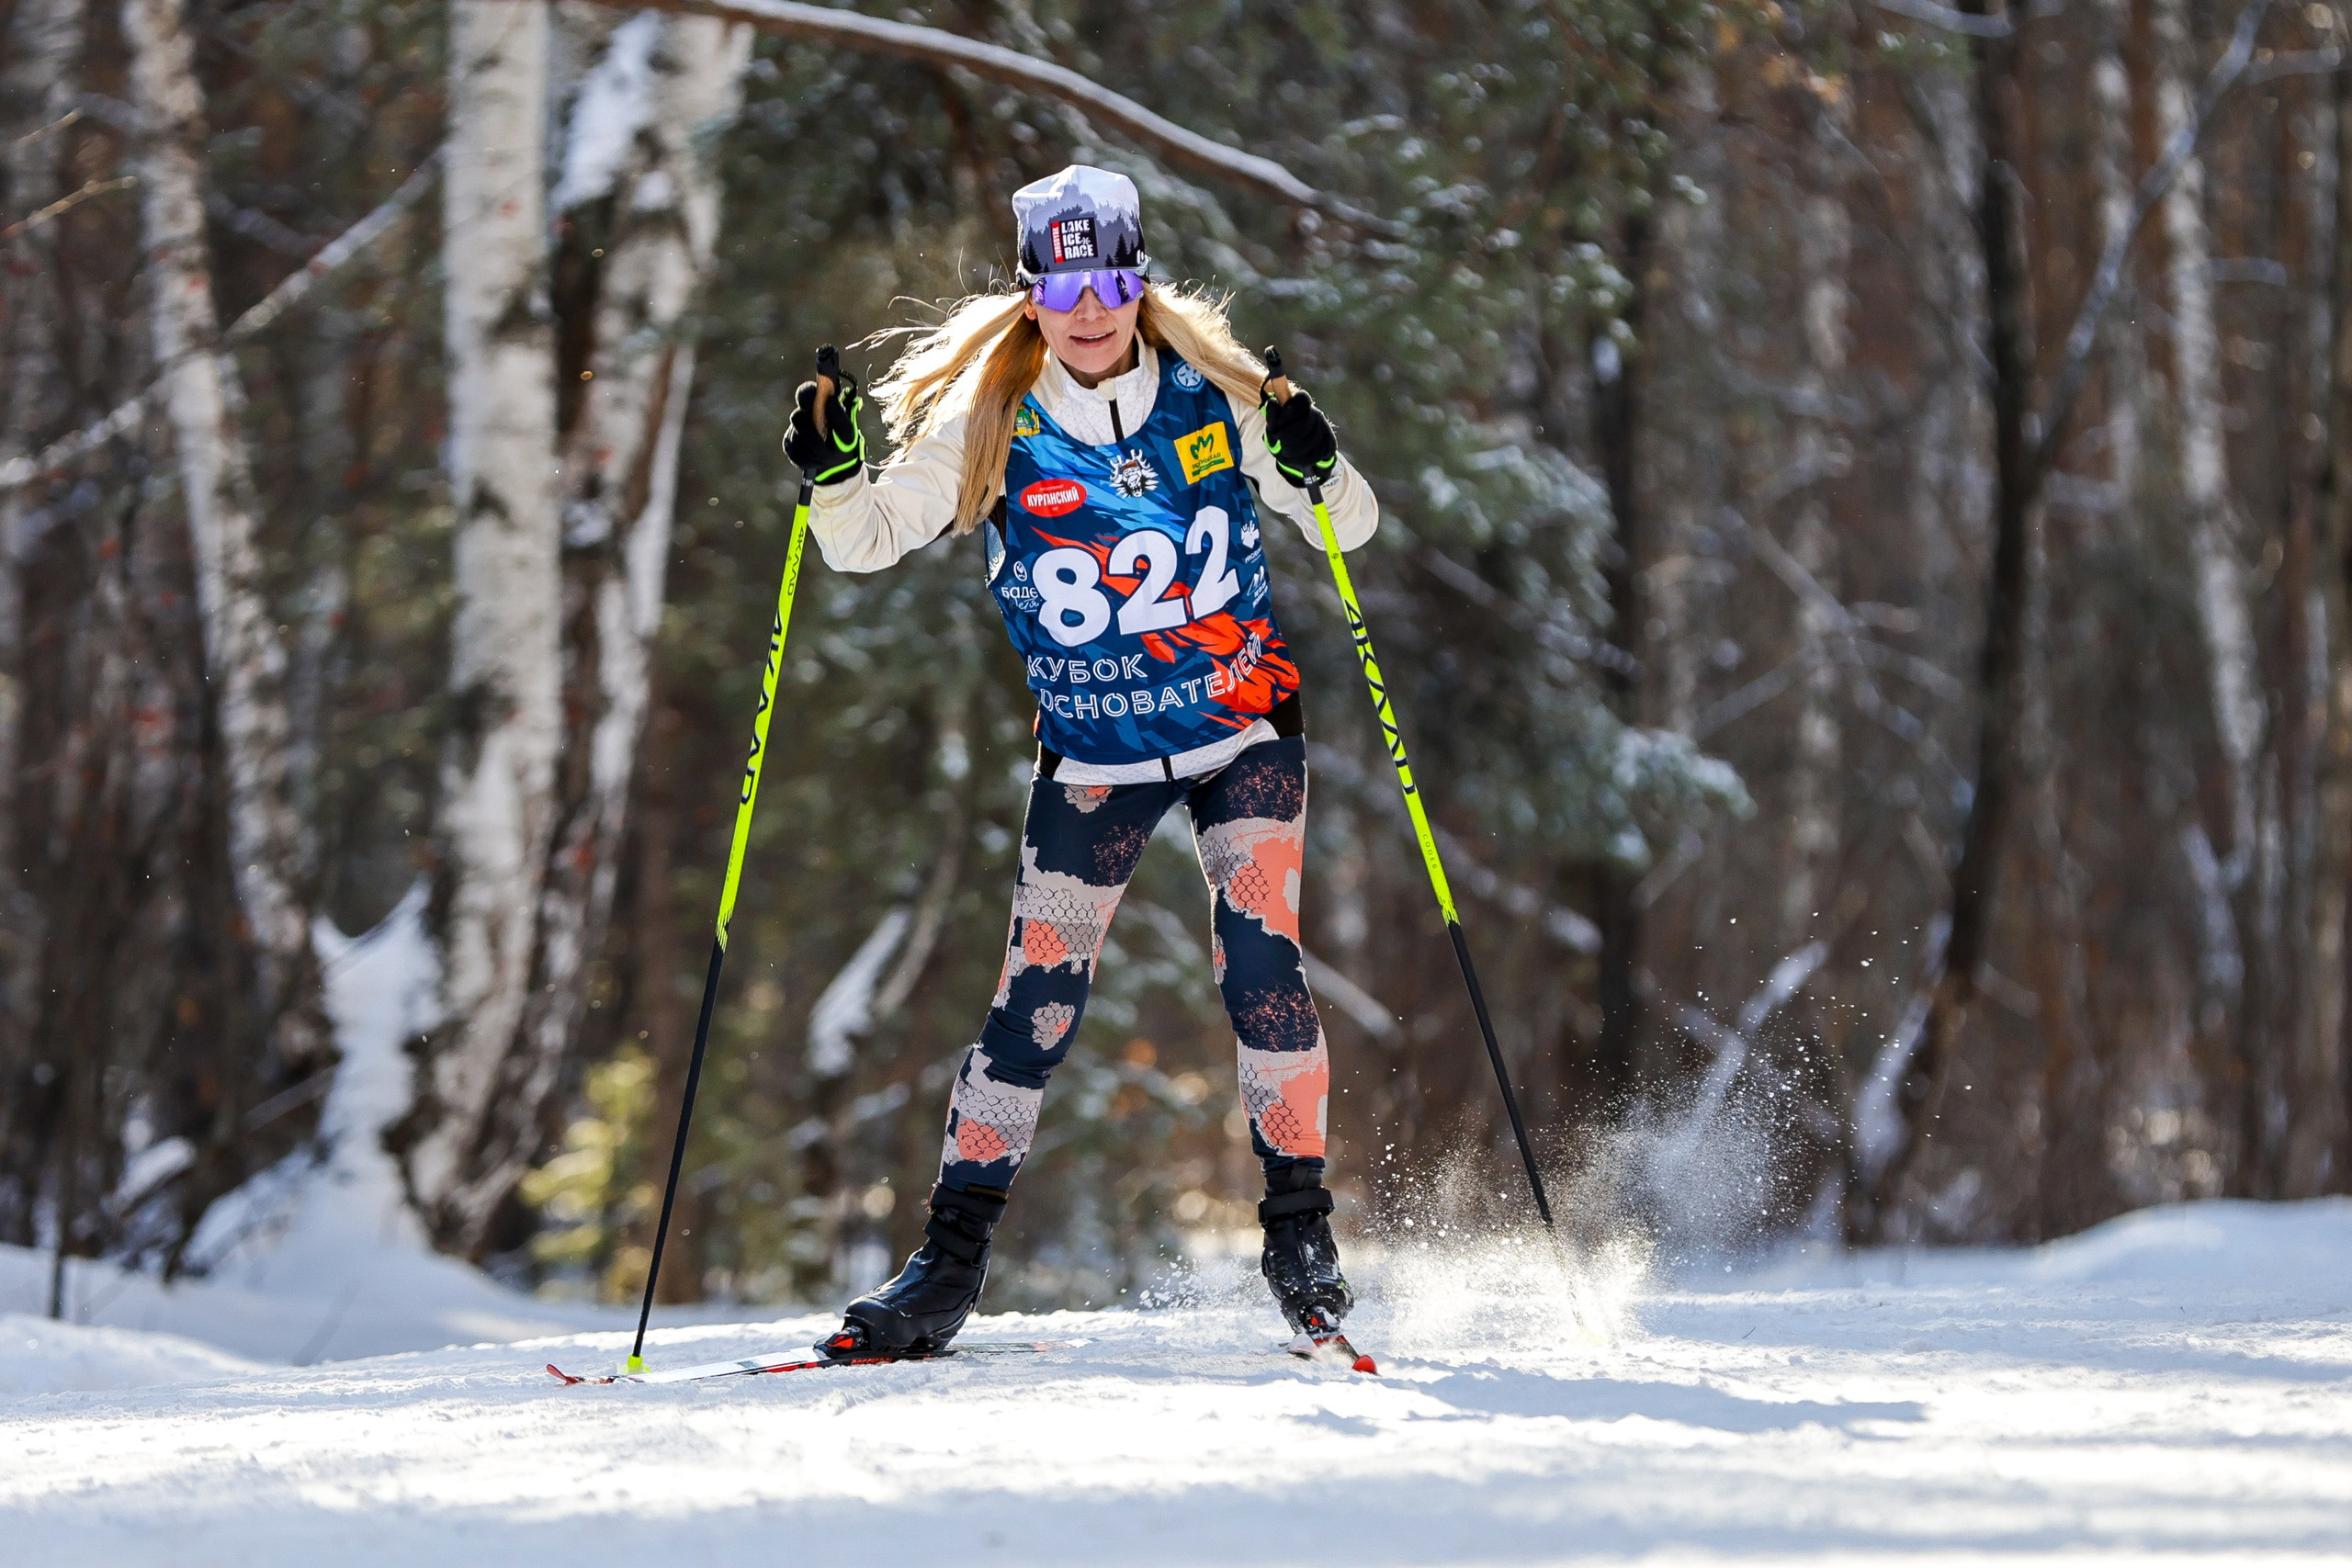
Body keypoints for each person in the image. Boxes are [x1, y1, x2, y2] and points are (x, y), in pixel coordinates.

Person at [785, 165, 1380, 1359]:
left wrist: (1316, 460)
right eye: (1065, 284)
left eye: (1110, 279)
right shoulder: (993, 414)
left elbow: (1346, 527)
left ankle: (1299, 1235)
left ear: (1138, 281)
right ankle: (946, 1270)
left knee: (1259, 962)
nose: (1092, 307)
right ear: (1031, 294)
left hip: (1238, 727)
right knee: (1034, 1007)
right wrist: (834, 471)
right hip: (1098, 746)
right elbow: (861, 543)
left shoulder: (1215, 392)